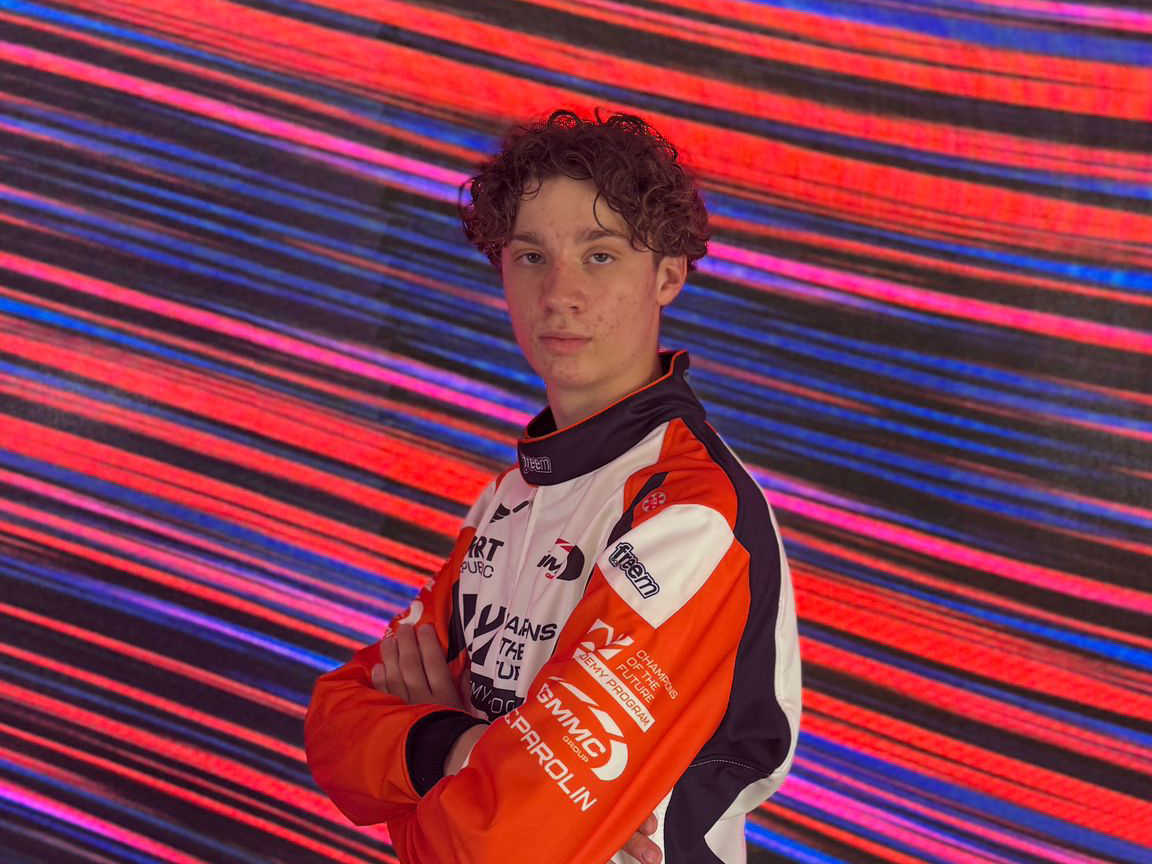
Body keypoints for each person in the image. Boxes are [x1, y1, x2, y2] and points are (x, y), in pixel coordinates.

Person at [304, 109, 802, 864]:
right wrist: (463, 748)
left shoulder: (689, 515)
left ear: (667, 275)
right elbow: (334, 726)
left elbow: (502, 847)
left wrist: (417, 778)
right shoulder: (510, 496)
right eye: (531, 256)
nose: (559, 293)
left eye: (600, 256)